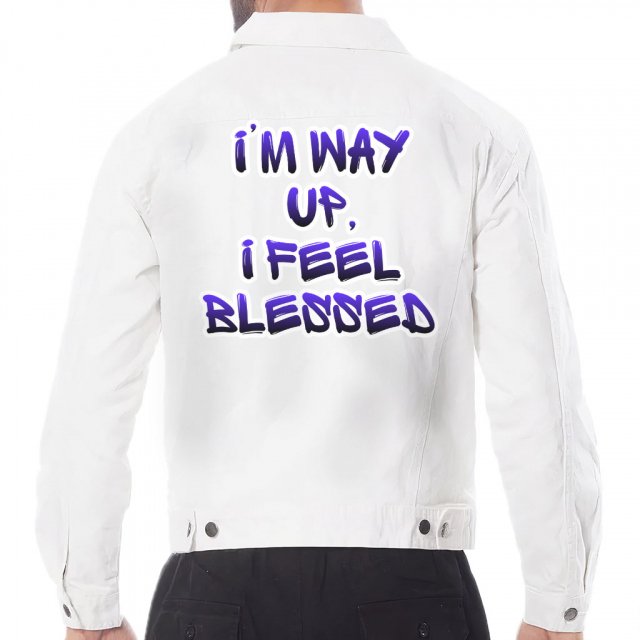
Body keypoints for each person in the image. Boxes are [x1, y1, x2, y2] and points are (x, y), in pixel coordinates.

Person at [34, 1, 602, 639]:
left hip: (216, 594)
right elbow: (539, 390)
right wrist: (558, 603)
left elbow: (94, 391)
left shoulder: (158, 137)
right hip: (412, 591)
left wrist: (88, 604)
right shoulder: (475, 133)